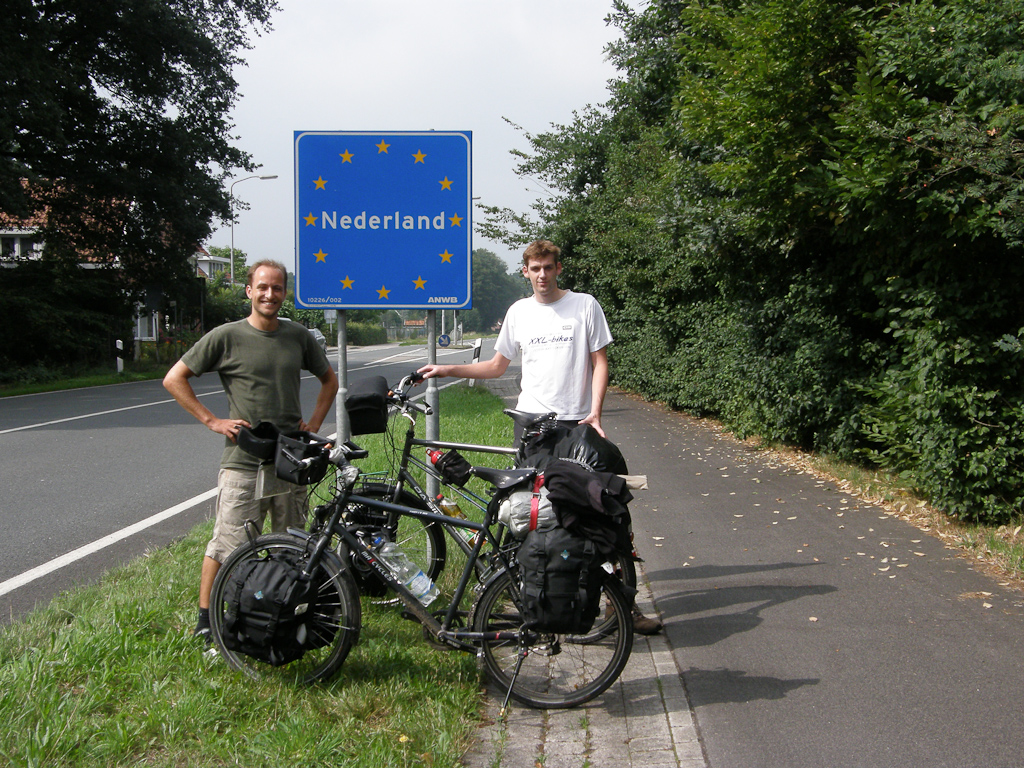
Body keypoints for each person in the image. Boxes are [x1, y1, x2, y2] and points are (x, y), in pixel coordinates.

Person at [418, 239, 663, 635]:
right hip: (532, 430)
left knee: (600, 510)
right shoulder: (519, 312)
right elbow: (496, 367)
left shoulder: (584, 306)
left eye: (549, 267)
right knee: (534, 515)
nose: (543, 275)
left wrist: (595, 413)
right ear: (526, 272)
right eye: (535, 269)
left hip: (577, 426)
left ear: (558, 268)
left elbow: (600, 362)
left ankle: (620, 604)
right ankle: (539, 599)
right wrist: (447, 370)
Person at [163, 259, 339, 644]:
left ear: (285, 293)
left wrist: (313, 424)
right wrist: (212, 421)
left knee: (291, 545)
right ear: (249, 291)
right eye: (262, 287)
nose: (269, 294)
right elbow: (174, 379)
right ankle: (207, 622)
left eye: (276, 288)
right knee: (228, 546)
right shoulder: (226, 336)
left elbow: (329, 380)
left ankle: (275, 618)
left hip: (289, 462)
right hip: (243, 462)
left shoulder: (298, 336)